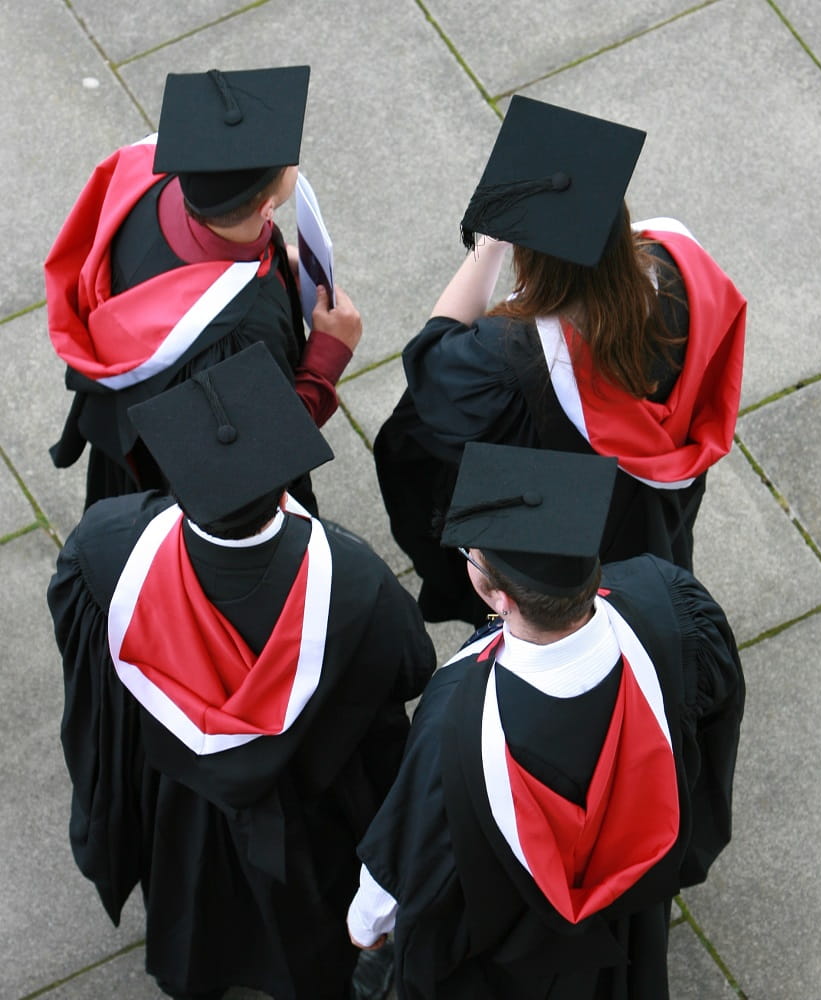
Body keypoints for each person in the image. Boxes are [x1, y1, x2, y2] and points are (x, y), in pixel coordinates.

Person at [47, 343, 436, 1000]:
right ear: (282, 479)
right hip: (307, 801)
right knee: (306, 920)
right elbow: (411, 669)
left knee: (194, 898)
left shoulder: (107, 547)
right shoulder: (353, 580)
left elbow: (86, 664)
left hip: (172, 790)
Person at [348, 442, 745, 999]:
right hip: (631, 910)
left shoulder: (458, 715)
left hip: (513, 939)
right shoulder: (671, 607)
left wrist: (366, 928)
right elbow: (714, 734)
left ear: (492, 592)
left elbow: (416, 851)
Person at [374, 96, 747, 624]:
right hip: (649, 511)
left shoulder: (510, 355)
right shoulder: (680, 271)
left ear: (532, 256)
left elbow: (431, 363)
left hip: (559, 518)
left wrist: (490, 242)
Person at [45, 65, 360, 513]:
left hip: (129, 415)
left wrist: (270, 255)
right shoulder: (236, 334)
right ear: (267, 205)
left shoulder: (152, 188)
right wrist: (329, 354)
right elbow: (251, 452)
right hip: (179, 479)